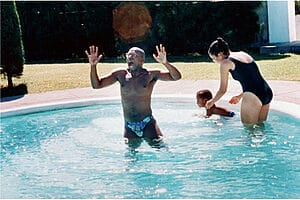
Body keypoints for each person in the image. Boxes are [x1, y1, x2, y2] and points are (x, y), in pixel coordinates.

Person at [85, 44, 181, 148]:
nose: (129, 57)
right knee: (132, 159)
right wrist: (93, 66)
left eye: (133, 55)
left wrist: (165, 63)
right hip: (129, 126)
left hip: (147, 123)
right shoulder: (120, 75)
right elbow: (96, 85)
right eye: (128, 55)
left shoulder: (151, 75)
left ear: (142, 59)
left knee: (160, 149)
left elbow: (176, 77)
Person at [206, 37, 273, 126]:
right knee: (261, 128)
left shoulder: (225, 63)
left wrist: (212, 102)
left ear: (220, 54)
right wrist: (240, 96)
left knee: (249, 131)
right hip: (266, 92)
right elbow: (253, 79)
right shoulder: (242, 54)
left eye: (214, 58)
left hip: (253, 96)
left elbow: (223, 90)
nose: (214, 61)